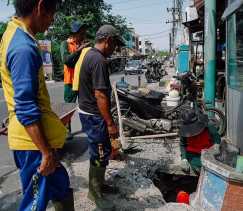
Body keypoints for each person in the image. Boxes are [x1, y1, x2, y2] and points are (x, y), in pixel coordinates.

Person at [0, 0, 74, 210]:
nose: (51, 21)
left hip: (34, 138)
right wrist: (45, 152)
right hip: (32, 145)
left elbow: (15, 93)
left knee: (60, 184)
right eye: (52, 14)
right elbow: (25, 106)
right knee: (33, 204)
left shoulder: (13, 33)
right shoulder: (23, 47)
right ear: (40, 7)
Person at [73, 25, 124, 210]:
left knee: (101, 153)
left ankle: (100, 185)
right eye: (115, 44)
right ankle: (94, 193)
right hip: (94, 116)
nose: (115, 49)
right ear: (108, 40)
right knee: (99, 153)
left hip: (91, 114)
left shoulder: (90, 55)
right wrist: (110, 124)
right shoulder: (98, 60)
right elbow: (100, 95)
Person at [179, 110, 221, 174]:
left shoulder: (207, 124)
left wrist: (216, 145)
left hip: (209, 152)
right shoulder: (183, 131)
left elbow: (216, 137)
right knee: (198, 169)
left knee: (213, 168)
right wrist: (184, 158)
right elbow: (183, 144)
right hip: (193, 155)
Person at [60, 20, 89, 103]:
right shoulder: (65, 44)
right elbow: (66, 60)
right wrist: (78, 50)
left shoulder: (83, 44)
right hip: (70, 81)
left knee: (84, 105)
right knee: (69, 106)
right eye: (82, 33)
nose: (84, 35)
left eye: (84, 33)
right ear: (75, 33)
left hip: (82, 81)